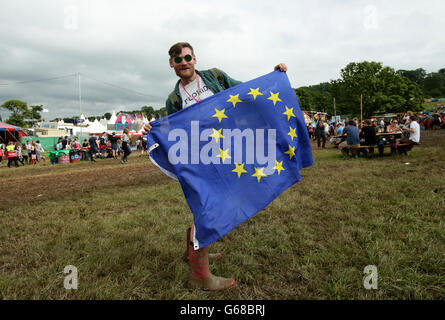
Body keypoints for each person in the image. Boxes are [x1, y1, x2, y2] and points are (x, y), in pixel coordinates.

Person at [143, 42, 287, 291]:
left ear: (195, 58)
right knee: (206, 206)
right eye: (178, 59)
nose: (184, 62)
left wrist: (273, 77)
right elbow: (173, 131)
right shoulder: (174, 99)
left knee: (209, 205)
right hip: (202, 159)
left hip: (229, 151)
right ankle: (199, 276)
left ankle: (194, 253)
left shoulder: (215, 76)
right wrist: (151, 130)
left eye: (187, 57)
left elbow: (245, 91)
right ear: (171, 64)